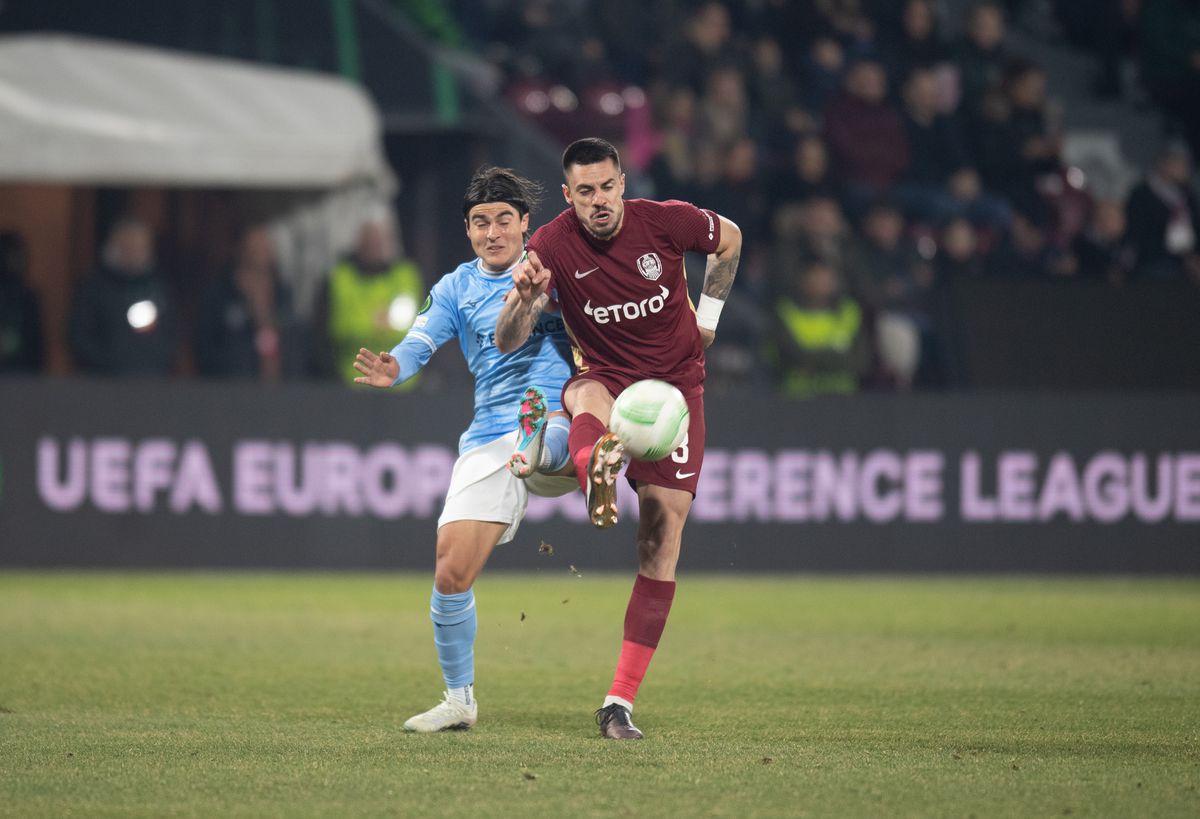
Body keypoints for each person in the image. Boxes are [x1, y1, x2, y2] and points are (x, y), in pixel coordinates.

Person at [495, 137, 743, 740]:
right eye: (585, 192)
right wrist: (525, 301)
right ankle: (594, 469)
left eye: (607, 187)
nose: (598, 201)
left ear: (622, 183)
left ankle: (618, 704)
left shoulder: (666, 223)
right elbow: (507, 338)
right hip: (607, 377)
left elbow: (730, 236)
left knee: (660, 542)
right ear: (567, 195)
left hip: (676, 394)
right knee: (583, 393)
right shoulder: (550, 245)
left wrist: (707, 319)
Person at [351, 167, 577, 734]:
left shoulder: (561, 268)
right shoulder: (456, 287)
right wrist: (394, 367)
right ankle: (459, 701)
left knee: (569, 420)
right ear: (469, 230)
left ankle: (561, 449)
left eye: (504, 220)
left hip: (568, 409)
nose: (493, 232)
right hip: (492, 434)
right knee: (451, 570)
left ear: (526, 224)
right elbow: (419, 341)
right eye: (481, 223)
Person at [315, 212, 424, 385]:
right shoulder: (340, 278)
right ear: (359, 242)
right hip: (352, 381)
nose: (375, 245)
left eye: (380, 240)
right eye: (370, 239)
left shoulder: (406, 276)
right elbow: (333, 330)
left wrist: (371, 326)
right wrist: (379, 326)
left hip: (402, 386)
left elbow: (418, 330)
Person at [194, 225, 311, 380]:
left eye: (266, 246)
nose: (261, 252)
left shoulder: (283, 296)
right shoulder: (222, 295)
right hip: (233, 390)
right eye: (255, 247)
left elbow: (298, 344)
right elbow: (206, 347)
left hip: (283, 391)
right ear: (242, 249)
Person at [69, 216, 177, 377]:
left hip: (153, 380)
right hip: (104, 382)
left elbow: (172, 332)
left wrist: (158, 361)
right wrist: (106, 363)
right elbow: (79, 334)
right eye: (128, 246)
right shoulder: (94, 287)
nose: (134, 253)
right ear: (115, 247)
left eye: (140, 247)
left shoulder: (159, 287)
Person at [0, 232, 43, 373]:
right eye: (12, 256)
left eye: (20, 256)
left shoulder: (28, 297)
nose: (17, 262)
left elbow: (37, 344)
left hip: (23, 373)